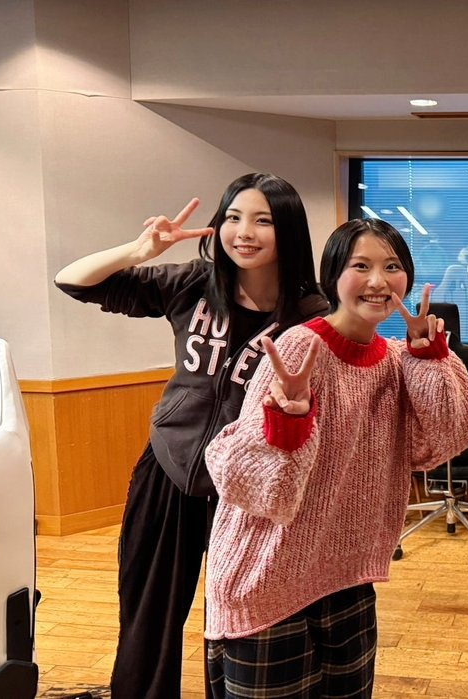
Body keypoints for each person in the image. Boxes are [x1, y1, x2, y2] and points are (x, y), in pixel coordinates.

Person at [54, 173, 329, 699]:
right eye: (233, 218)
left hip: (247, 487)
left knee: (235, 616)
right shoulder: (194, 284)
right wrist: (139, 251)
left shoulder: (310, 315)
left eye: (263, 220)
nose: (243, 232)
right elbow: (73, 281)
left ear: (289, 231)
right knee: (147, 613)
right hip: (170, 469)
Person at [203, 218, 468, 698]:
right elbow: (256, 486)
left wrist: (430, 356)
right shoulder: (299, 349)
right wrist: (288, 423)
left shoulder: (395, 360)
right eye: (361, 266)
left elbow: (446, 440)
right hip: (267, 577)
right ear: (332, 277)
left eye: (391, 266)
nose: (378, 281)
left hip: (345, 575)